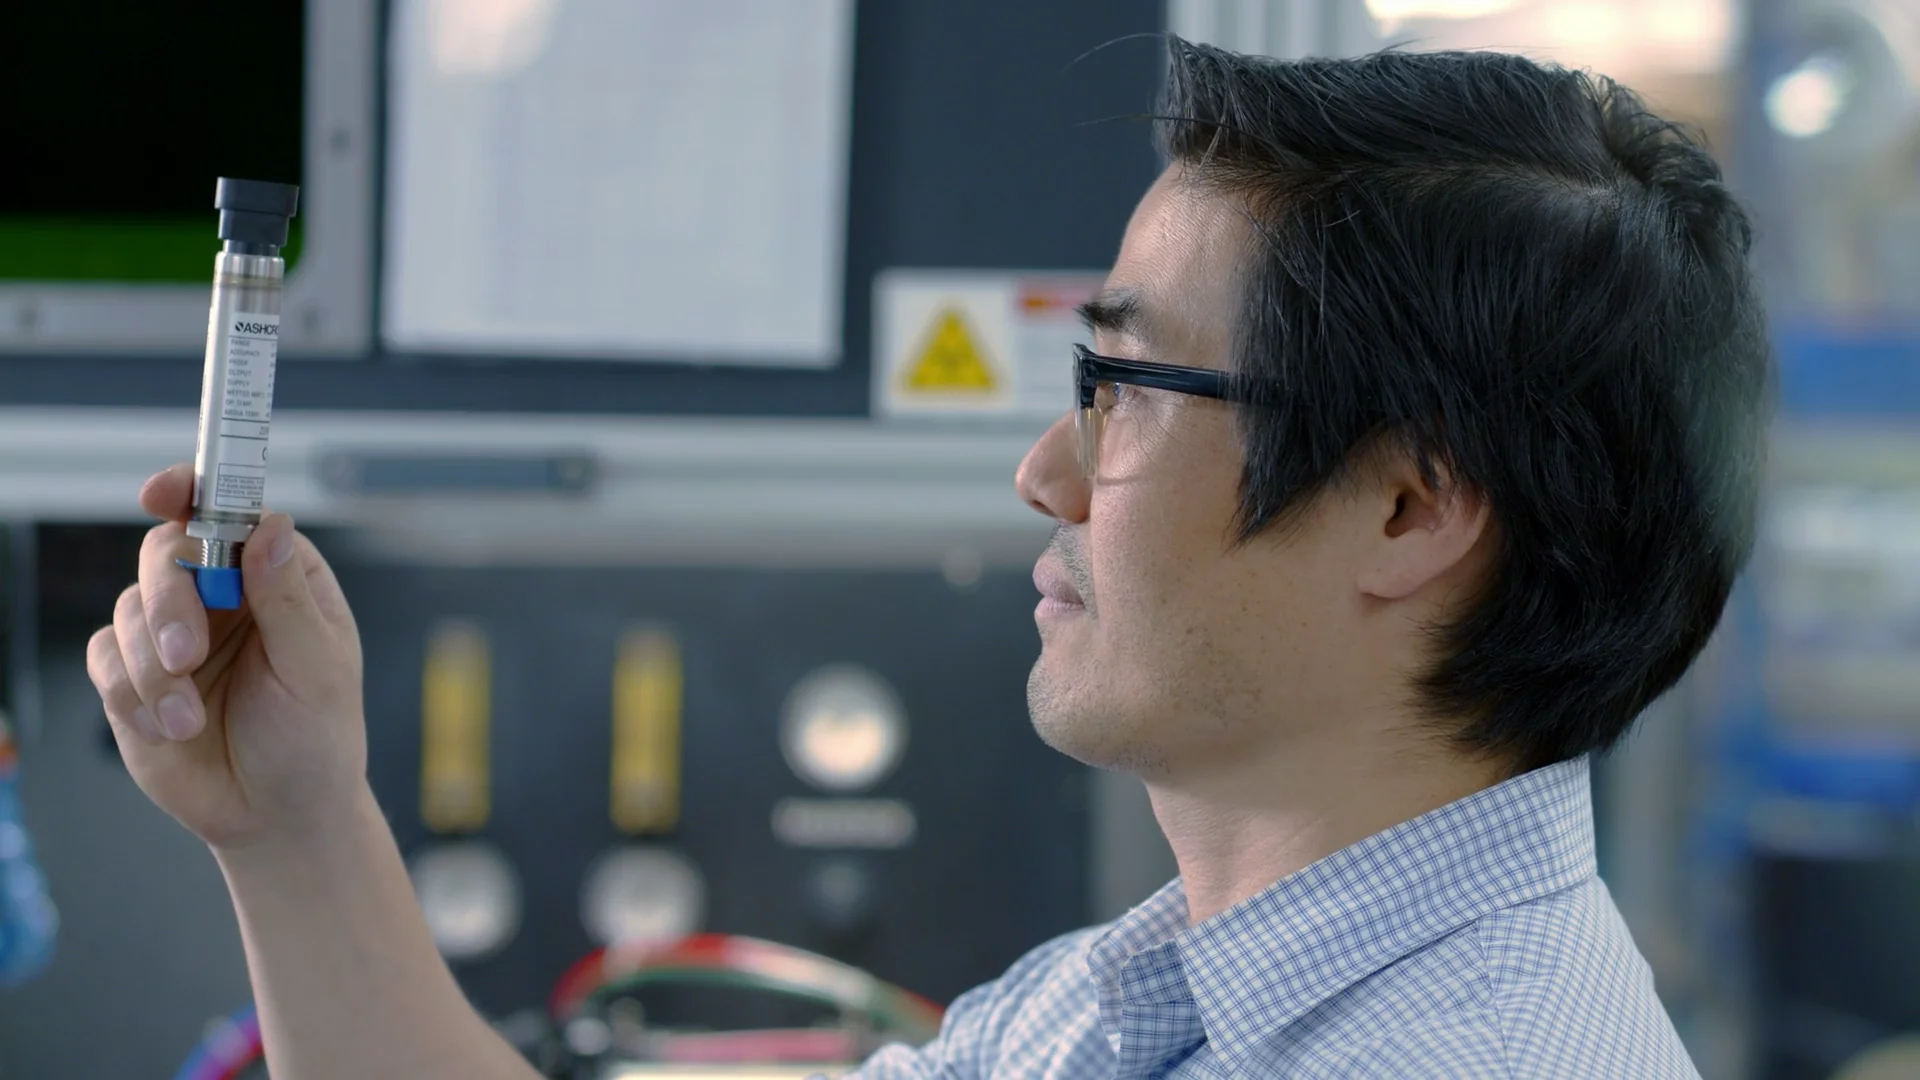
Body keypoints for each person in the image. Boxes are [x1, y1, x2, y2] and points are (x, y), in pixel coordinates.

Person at [88, 37, 1768, 1080]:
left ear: (1410, 509)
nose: (1045, 470)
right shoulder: (1141, 995)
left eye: (1122, 390)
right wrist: (292, 820)